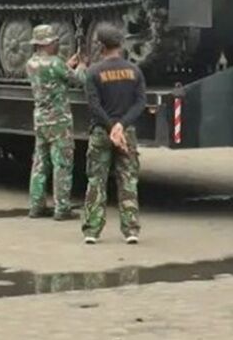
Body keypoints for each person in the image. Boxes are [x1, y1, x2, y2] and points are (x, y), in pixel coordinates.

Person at [82, 23, 145, 245]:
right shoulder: (134, 71)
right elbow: (140, 103)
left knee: (96, 180)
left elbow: (94, 105)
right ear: (120, 45)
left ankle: (92, 230)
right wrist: (121, 126)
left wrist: (110, 127)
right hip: (126, 133)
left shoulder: (93, 72)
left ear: (101, 46)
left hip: (101, 132)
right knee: (128, 180)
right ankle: (131, 230)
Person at [24, 24, 84, 219]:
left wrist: (67, 64)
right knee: (62, 163)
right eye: (55, 41)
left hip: (40, 120)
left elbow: (54, 74)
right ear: (47, 43)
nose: (57, 44)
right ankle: (62, 208)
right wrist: (82, 66)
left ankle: (36, 206)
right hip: (59, 121)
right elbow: (77, 80)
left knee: (40, 163)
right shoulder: (56, 63)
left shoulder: (31, 64)